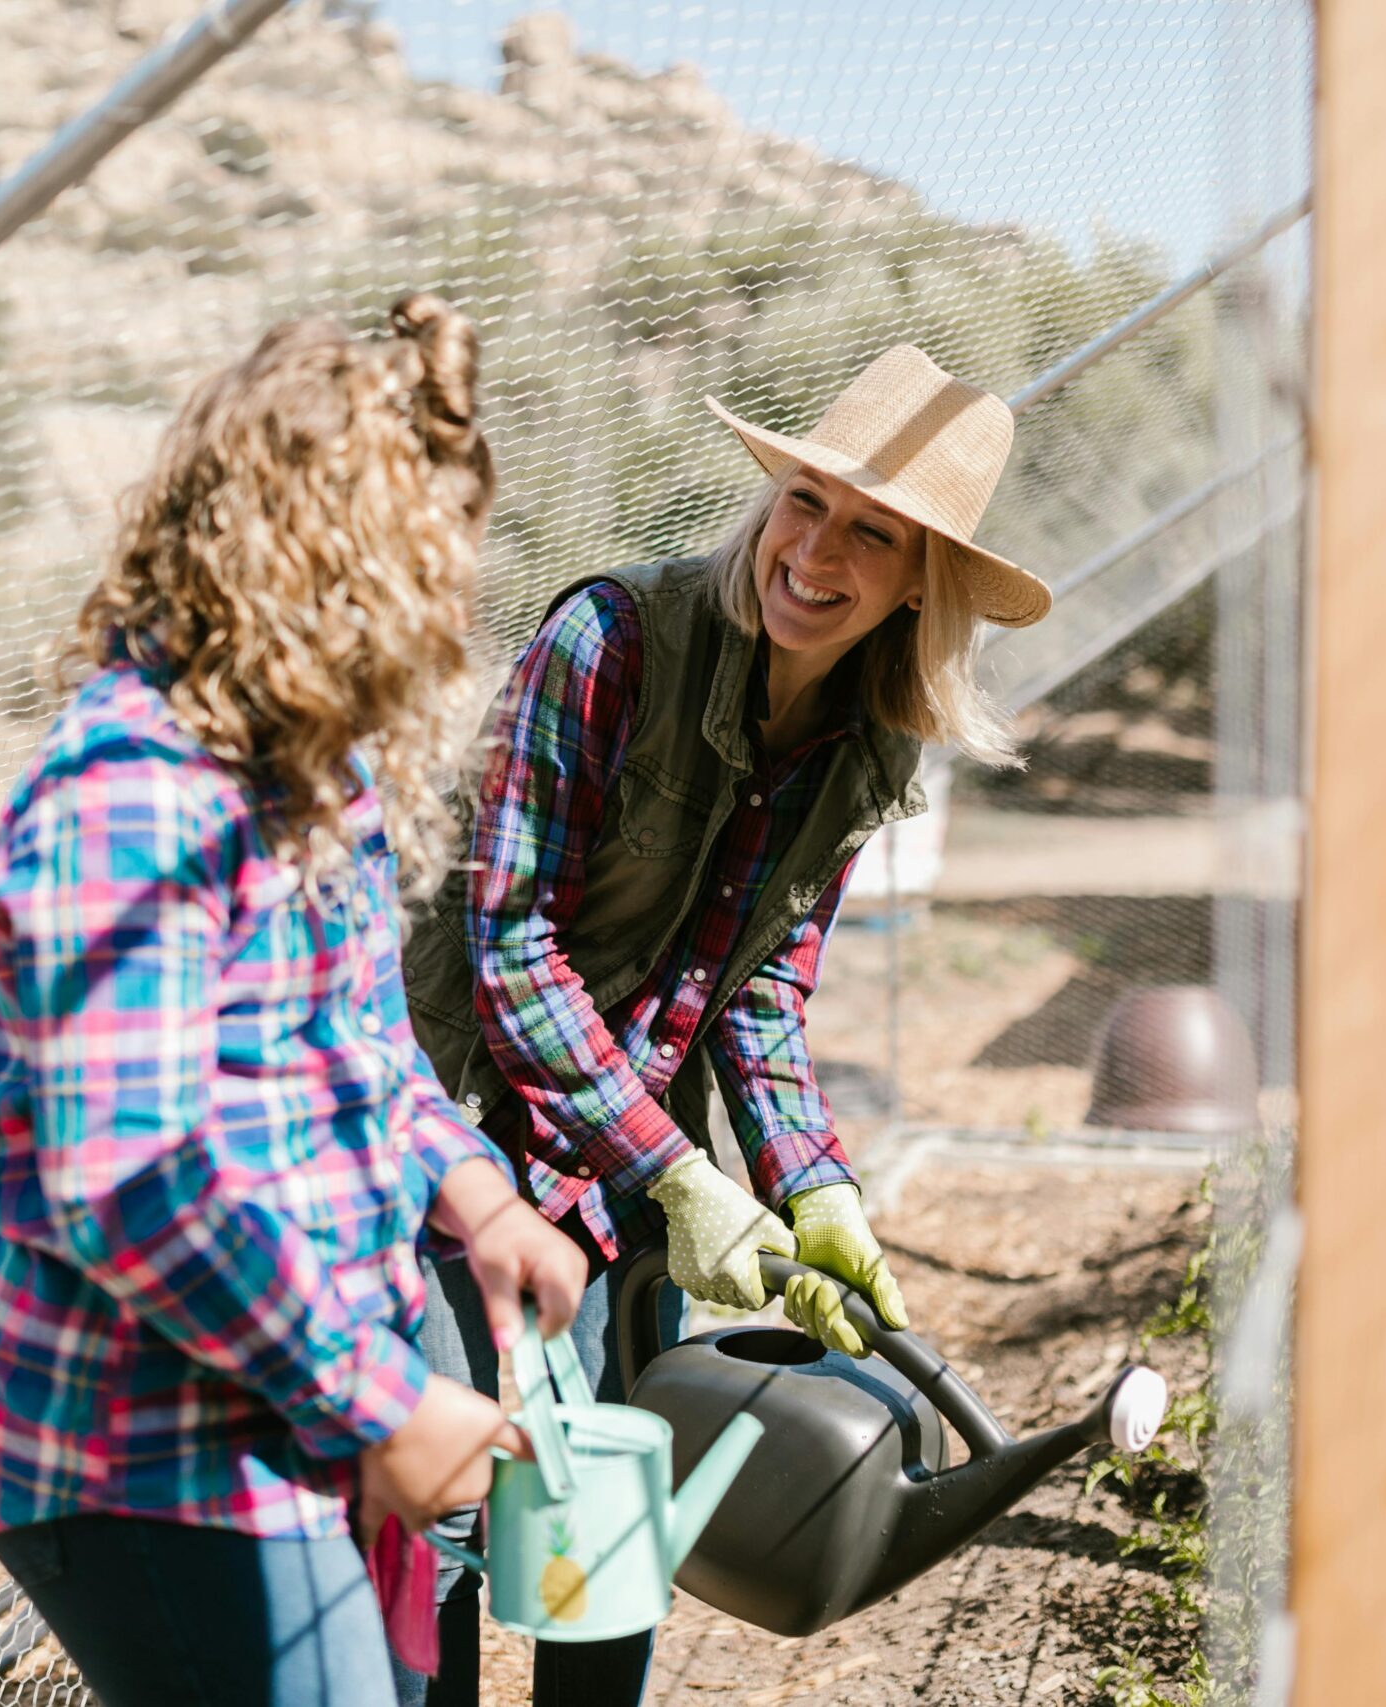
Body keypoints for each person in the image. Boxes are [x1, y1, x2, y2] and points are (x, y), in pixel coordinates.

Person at [0, 295, 588, 1707]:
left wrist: (479, 1205)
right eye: (431, 564)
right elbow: (131, 1175)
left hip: (272, 1410)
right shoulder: (130, 794)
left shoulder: (312, 776)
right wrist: (384, 1400)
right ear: (326, 563)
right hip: (141, 1447)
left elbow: (359, 1044)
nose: (450, 611)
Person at [396, 344, 1054, 1705]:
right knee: (450, 1515)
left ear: (921, 584)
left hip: (623, 1159)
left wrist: (816, 1190)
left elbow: (758, 989)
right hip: (452, 1137)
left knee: (611, 1519)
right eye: (807, 501)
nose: (817, 551)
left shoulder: (867, 741)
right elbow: (505, 945)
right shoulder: (611, 642)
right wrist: (683, 1176)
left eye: (874, 534)